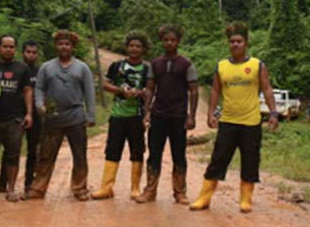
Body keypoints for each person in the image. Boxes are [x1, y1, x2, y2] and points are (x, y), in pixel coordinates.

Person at [190, 22, 278, 213]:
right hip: (228, 121)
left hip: (251, 123)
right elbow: (215, 91)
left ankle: (245, 199)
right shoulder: (221, 66)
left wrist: (273, 113)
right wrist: (211, 113)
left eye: (239, 41)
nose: (235, 44)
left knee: (250, 160)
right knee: (218, 158)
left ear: (245, 43)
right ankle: (204, 198)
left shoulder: (257, 65)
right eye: (232, 41)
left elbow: (267, 89)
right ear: (228, 44)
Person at [25, 30, 96, 201]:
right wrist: (40, 105)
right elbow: (39, 88)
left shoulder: (82, 67)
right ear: (56, 46)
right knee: (46, 154)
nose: (64, 46)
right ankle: (38, 188)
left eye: (67, 44)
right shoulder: (47, 67)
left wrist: (91, 115)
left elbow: (90, 92)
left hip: (76, 116)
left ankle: (79, 188)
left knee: (79, 154)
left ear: (72, 47)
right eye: (60, 44)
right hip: (52, 117)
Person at [135, 25, 198, 204]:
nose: (169, 43)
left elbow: (193, 91)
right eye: (166, 40)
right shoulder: (155, 64)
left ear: (178, 41)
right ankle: (150, 190)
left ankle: (179, 192)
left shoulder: (186, 64)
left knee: (179, 154)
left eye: (172, 40)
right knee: (154, 154)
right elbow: (149, 89)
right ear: (161, 41)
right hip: (158, 115)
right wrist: (147, 112)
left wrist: (191, 115)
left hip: (178, 117)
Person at [91, 31, 151, 200]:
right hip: (117, 115)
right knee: (112, 150)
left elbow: (151, 91)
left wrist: (139, 93)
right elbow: (105, 84)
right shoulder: (116, 66)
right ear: (126, 47)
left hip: (137, 116)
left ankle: (135, 188)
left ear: (143, 49)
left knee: (137, 150)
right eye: (131, 45)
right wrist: (120, 91)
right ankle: (106, 187)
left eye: (138, 46)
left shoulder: (147, 69)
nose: (134, 49)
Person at [0, 40, 42, 196]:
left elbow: (32, 91)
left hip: (27, 116)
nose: (31, 55)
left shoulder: (36, 70)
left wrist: (33, 112)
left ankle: (28, 185)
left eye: (34, 52)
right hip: (4, 116)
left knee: (28, 151)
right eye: (28, 52)